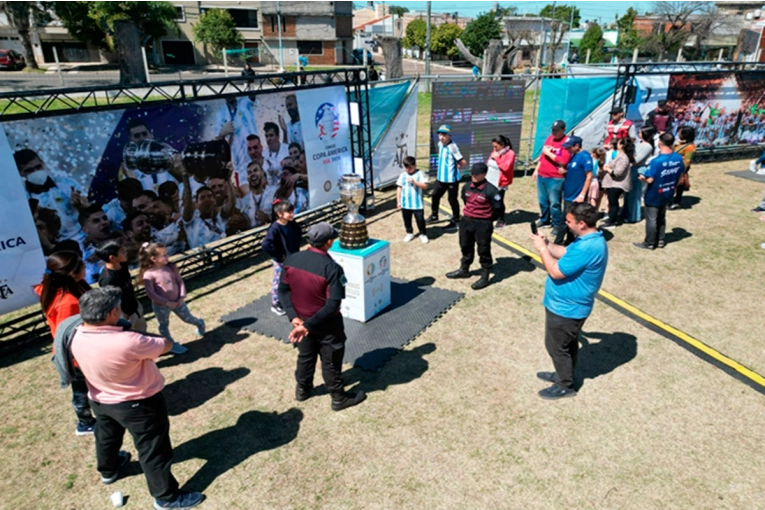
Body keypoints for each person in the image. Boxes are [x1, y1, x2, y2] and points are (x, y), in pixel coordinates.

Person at [70, 287, 206, 510]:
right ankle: (166, 498)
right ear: (114, 313)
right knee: (153, 450)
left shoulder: (75, 333)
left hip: (100, 398)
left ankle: (109, 469)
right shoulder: (129, 340)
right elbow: (165, 345)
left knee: (107, 436)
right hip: (138, 405)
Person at [277, 222, 367, 411]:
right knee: (331, 361)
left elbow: (283, 291)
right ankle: (338, 398)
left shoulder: (292, 259)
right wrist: (306, 325)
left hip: (301, 321)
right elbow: (332, 304)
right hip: (327, 325)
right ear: (328, 242)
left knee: (305, 356)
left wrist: (294, 318)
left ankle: (302, 390)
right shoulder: (332, 268)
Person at [530, 203, 608, 400]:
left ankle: (565, 385)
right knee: (568, 344)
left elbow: (556, 272)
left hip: (567, 309)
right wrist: (547, 244)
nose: (566, 224)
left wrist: (541, 251)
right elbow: (565, 253)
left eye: (569, 221)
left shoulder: (588, 247)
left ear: (581, 223)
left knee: (556, 347)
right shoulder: (588, 240)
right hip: (568, 307)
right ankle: (563, 374)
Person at [35, 251, 96, 435]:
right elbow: (68, 333)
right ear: (71, 273)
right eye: (82, 266)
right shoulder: (67, 303)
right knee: (80, 389)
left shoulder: (56, 287)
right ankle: (85, 423)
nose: (86, 267)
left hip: (78, 352)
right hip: (76, 355)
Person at [139, 242, 206, 354]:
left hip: (177, 302)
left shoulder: (170, 267)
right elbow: (151, 294)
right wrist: (166, 302)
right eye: (163, 255)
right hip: (161, 306)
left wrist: (181, 297)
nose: (167, 256)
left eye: (166, 253)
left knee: (187, 318)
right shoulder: (149, 275)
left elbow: (180, 281)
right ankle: (170, 344)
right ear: (153, 258)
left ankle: (200, 323)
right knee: (163, 325)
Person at [445, 163, 503, 290]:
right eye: (472, 173)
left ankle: (485, 275)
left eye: (477, 174)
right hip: (466, 221)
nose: (474, 176)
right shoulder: (466, 187)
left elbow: (498, 209)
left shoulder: (491, 190)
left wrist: (485, 219)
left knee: (483, 249)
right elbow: (465, 201)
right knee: (465, 246)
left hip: (483, 224)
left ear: (484, 174)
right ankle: (464, 269)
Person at [15, 148, 89, 242]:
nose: (36, 172)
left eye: (38, 167)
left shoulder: (66, 184)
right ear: (20, 173)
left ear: (43, 163)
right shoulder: (23, 199)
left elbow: (89, 210)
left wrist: (80, 204)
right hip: (56, 247)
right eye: (30, 170)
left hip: (84, 236)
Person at [633, 132, 686, 250]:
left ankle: (649, 242)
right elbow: (681, 174)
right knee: (662, 216)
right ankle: (661, 239)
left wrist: (642, 178)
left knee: (651, 218)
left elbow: (650, 180)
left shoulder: (656, 161)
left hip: (654, 194)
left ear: (659, 143)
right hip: (669, 191)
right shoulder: (678, 158)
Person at [96, 239, 147, 333]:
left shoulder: (122, 264)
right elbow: (111, 301)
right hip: (125, 315)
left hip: (135, 307)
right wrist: (123, 314)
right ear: (112, 258)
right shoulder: (107, 280)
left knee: (143, 331)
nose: (126, 252)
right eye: (122, 252)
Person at [262, 200, 302, 316]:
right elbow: (266, 245)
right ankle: (275, 303)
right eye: (288, 212)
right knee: (279, 280)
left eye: (292, 211)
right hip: (281, 261)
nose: (292, 214)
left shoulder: (292, 224)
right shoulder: (274, 228)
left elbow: (298, 233)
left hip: (293, 257)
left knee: (293, 279)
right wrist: (279, 256)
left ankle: (290, 299)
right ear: (280, 214)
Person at [533, 120, 570, 238]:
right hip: (542, 174)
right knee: (542, 200)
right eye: (553, 130)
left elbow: (563, 160)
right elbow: (543, 156)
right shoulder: (550, 138)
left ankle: (557, 224)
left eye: (556, 130)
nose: (554, 132)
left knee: (554, 203)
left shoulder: (566, 142)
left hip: (555, 177)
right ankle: (544, 219)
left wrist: (548, 153)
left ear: (563, 130)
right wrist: (536, 169)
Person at [553, 136, 593, 246]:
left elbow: (589, 176)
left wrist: (582, 195)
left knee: (564, 220)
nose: (567, 149)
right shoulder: (573, 156)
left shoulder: (585, 157)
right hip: (568, 194)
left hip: (575, 196)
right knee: (571, 220)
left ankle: (557, 243)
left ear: (577, 146)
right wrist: (564, 172)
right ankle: (570, 240)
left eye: (569, 147)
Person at [428, 125, 466, 231]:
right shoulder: (440, 144)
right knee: (435, 195)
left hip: (451, 180)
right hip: (441, 178)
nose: (441, 137)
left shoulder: (452, 147)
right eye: (440, 134)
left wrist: (457, 168)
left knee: (452, 199)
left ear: (449, 136)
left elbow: (462, 161)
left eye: (444, 135)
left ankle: (456, 220)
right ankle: (434, 215)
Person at [624, 126, 658, 224]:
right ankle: (626, 213)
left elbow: (637, 160)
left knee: (634, 195)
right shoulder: (638, 143)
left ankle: (634, 216)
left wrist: (630, 158)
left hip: (638, 170)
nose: (638, 134)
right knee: (628, 194)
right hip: (631, 170)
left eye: (640, 132)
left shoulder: (648, 146)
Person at [599, 137, 635, 229]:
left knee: (613, 203)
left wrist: (607, 169)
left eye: (619, 143)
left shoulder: (623, 158)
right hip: (613, 183)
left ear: (622, 145)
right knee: (612, 202)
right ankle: (611, 218)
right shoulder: (620, 155)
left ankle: (612, 221)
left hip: (617, 184)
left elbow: (618, 173)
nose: (617, 145)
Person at [396, 155, 429, 244]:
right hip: (405, 203)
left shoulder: (420, 174)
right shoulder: (402, 175)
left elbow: (425, 186)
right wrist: (398, 201)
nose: (407, 170)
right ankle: (409, 233)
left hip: (417, 203)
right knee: (406, 219)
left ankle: (423, 234)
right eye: (406, 168)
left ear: (415, 165)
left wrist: (415, 182)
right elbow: (399, 188)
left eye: (410, 168)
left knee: (420, 219)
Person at [486, 135, 516, 229]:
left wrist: (497, 158)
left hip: (500, 181)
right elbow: (489, 162)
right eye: (493, 146)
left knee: (498, 200)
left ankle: (501, 219)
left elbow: (506, 167)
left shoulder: (510, 153)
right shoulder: (495, 151)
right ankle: (491, 215)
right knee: (489, 200)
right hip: (490, 179)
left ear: (502, 145)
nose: (494, 148)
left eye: (496, 146)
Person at [670, 126, 696, 210]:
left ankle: (677, 202)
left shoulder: (690, 147)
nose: (678, 134)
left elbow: (687, 160)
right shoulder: (678, 143)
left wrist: (682, 170)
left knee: (679, 185)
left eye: (680, 133)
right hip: (672, 166)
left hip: (680, 168)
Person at [263, 122, 290, 186]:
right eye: (266, 136)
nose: (268, 139)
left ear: (278, 136)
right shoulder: (263, 155)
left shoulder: (287, 149)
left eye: (271, 135)